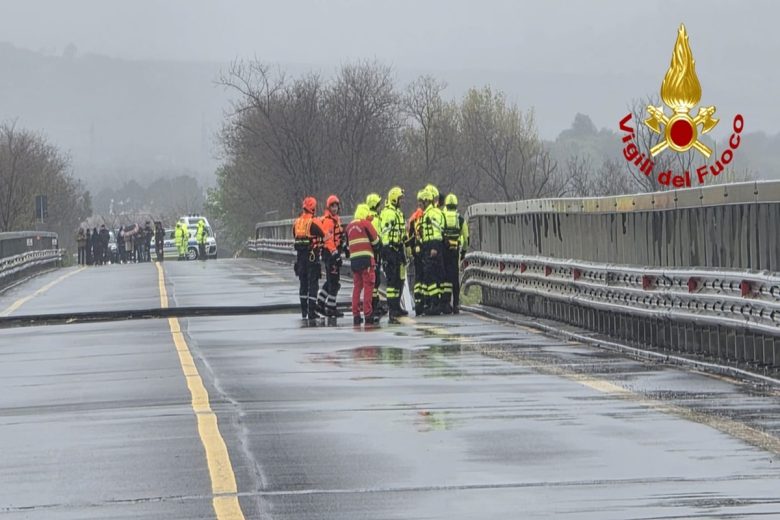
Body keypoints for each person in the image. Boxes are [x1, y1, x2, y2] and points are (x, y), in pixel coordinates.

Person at [346, 204, 380, 325]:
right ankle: (368, 314)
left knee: (357, 287)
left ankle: (356, 315)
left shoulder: (349, 226)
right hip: (366, 260)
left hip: (354, 261)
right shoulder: (366, 224)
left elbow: (346, 246)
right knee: (368, 287)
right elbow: (376, 242)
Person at [293, 197, 325, 321]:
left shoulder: (297, 222)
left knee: (303, 284)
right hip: (312, 257)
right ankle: (312, 312)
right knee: (313, 284)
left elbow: (294, 236)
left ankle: (303, 311)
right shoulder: (314, 221)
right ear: (313, 208)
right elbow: (324, 234)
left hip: (300, 258)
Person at [379, 186, 407, 323]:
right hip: (390, 249)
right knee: (392, 281)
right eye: (400, 198)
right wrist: (387, 250)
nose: (402, 201)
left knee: (398, 280)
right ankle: (392, 309)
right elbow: (385, 233)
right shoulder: (389, 213)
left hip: (398, 249)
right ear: (394, 198)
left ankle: (396, 307)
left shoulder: (397, 213)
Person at [316, 195, 345, 318]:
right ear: (329, 207)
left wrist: (343, 248)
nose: (335, 208)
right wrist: (335, 254)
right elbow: (329, 240)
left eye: (336, 206)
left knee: (331, 281)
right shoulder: (328, 221)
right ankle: (331, 307)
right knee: (333, 282)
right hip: (330, 254)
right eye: (332, 206)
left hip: (334, 252)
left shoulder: (336, 219)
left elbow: (338, 237)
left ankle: (320, 304)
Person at [441, 193, 470, 314]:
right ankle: (456, 304)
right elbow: (466, 237)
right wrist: (463, 252)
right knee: (454, 278)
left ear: (446, 205)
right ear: (456, 205)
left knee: (444, 277)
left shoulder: (442, 216)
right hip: (455, 251)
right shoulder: (460, 219)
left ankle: (445, 303)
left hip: (443, 250)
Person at [420, 186, 445, 315]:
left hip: (433, 246)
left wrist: (434, 248)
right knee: (432, 276)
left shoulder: (432, 213)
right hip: (429, 246)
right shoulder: (428, 213)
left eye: (422, 202)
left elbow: (436, 232)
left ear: (427, 201)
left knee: (431, 275)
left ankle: (435, 303)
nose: (420, 205)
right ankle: (432, 303)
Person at [407, 190, 427, 316]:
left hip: (416, 251)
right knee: (424, 278)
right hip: (424, 250)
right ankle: (424, 302)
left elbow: (409, 236)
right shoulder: (424, 216)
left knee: (418, 278)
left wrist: (411, 250)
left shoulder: (413, 217)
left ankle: (418, 302)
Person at [365, 193, 385, 316]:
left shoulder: (368, 217)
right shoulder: (375, 219)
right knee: (375, 280)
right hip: (375, 252)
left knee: (374, 280)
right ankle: (373, 305)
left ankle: (374, 303)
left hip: (369, 252)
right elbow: (378, 236)